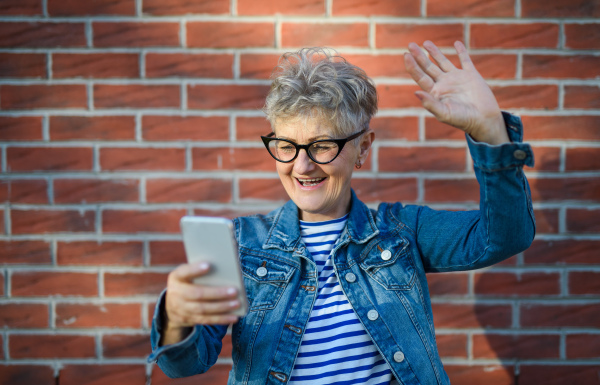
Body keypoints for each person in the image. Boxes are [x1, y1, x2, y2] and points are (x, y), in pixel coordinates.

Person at [148, 40, 535, 385]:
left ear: (363, 147)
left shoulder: (401, 232)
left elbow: (503, 236)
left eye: (322, 146)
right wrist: (176, 318)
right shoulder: (242, 244)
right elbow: (185, 366)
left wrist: (492, 137)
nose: (301, 167)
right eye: (286, 145)